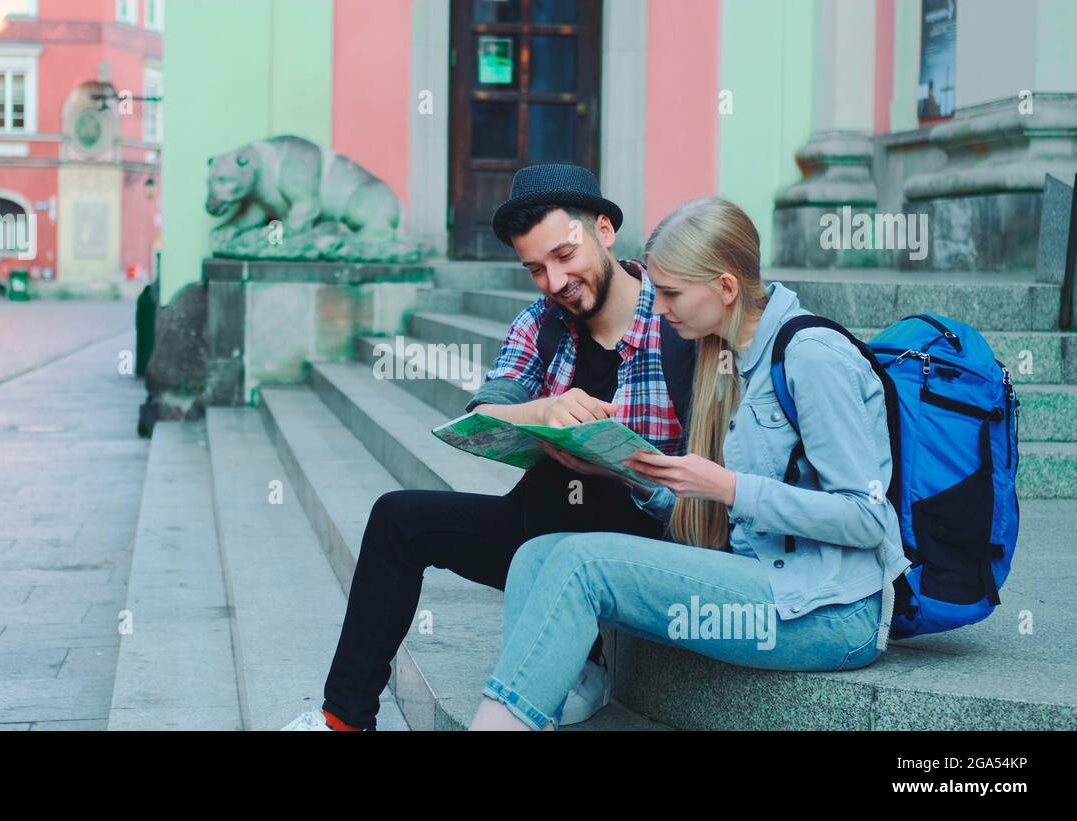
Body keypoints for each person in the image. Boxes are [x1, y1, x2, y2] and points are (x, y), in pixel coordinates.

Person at [469, 196, 912, 731]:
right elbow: (721, 514)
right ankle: (537, 707)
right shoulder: (721, 356)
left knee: (584, 563)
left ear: (725, 287)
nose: (658, 308)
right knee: (538, 555)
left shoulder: (812, 356)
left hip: (831, 612)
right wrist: (628, 475)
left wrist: (729, 488)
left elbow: (867, 519)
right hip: (762, 577)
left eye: (672, 293)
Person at [282, 164, 696, 730]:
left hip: (646, 542)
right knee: (398, 518)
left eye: (563, 256)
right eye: (536, 269)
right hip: (544, 529)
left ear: (603, 229)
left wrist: (626, 469)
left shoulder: (677, 319)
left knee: (586, 488)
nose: (554, 281)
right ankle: (343, 721)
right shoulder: (543, 323)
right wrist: (544, 413)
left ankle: (584, 659)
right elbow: (485, 411)